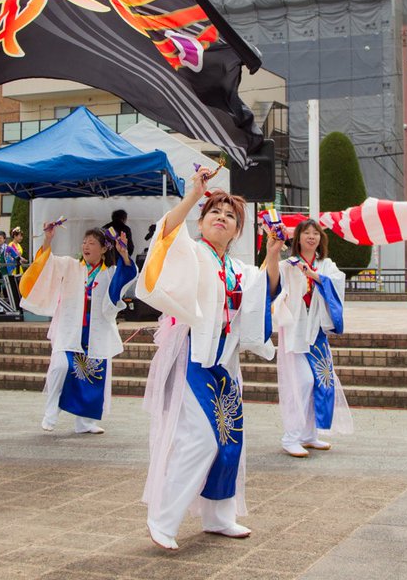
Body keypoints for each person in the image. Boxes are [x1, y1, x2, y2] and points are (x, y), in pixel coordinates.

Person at [136, 169, 281, 551]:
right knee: (199, 439)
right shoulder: (193, 252)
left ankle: (219, 516)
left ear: (237, 232)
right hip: (191, 357)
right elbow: (166, 234)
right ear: (201, 222)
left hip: (225, 364)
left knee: (229, 440)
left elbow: (263, 297)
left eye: (230, 215)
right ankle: (163, 519)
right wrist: (191, 196)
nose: (221, 217)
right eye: (214, 211)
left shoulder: (240, 270)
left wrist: (272, 255)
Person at [19, 224, 136, 434]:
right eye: (84, 242)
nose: (86, 246)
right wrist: (48, 239)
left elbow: (126, 275)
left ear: (103, 249)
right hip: (70, 325)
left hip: (96, 328)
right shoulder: (71, 266)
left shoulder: (109, 272)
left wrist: (125, 254)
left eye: (92, 243)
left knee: (93, 374)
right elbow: (46, 263)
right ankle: (51, 410)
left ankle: (85, 422)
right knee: (60, 366)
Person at [274, 218, 352, 458]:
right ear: (298, 238)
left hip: (315, 331)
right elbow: (274, 289)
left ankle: (309, 435)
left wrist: (314, 275)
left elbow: (337, 283)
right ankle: (291, 437)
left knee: (321, 381)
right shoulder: (287, 265)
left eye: (315, 233)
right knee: (302, 382)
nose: (311, 237)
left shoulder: (326, 264)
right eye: (306, 233)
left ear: (321, 239)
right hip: (295, 330)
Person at [5, 226, 26, 306]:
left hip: (18, 266)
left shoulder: (18, 245)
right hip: (13, 267)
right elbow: (14, 256)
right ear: (15, 236)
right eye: (19, 235)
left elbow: (19, 255)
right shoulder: (11, 245)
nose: (21, 237)